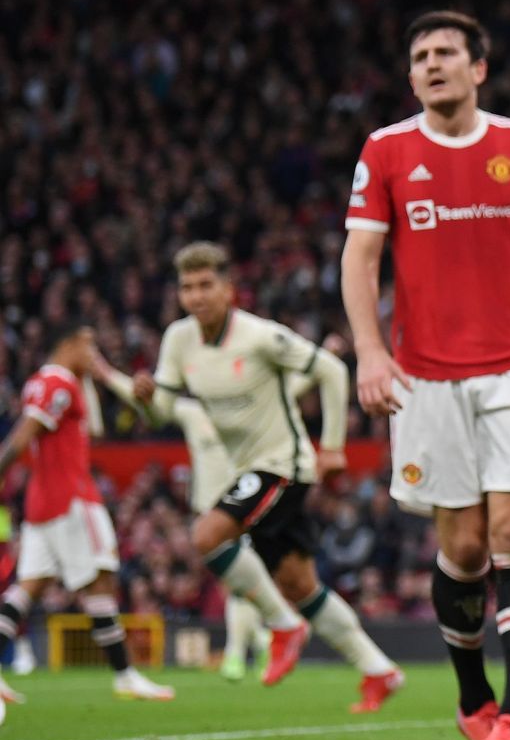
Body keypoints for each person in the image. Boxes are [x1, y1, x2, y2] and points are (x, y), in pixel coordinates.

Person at [341, 10, 510, 740]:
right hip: (424, 379)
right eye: (420, 55)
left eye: (446, 53)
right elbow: (360, 259)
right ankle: (473, 696)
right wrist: (369, 352)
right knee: (461, 546)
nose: (431, 65)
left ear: (478, 68)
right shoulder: (386, 150)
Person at [124, 242, 404, 712]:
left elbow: (332, 370)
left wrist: (333, 445)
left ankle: (282, 626)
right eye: (187, 287)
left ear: (229, 289)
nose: (196, 296)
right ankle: (380, 670)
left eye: (206, 285)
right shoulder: (179, 340)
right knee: (299, 583)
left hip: (283, 466)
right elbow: (161, 414)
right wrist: (144, 398)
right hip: (250, 471)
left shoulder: (260, 337)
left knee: (207, 535)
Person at [99, 343, 339, 682]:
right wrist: (107, 374)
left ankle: (238, 654)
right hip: (209, 511)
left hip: (245, 506)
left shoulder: (250, 407)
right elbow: (151, 404)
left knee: (240, 586)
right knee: (239, 585)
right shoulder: (192, 413)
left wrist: (322, 353)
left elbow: (296, 385)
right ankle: (261, 640)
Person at [0, 323, 173, 712]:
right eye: (89, 345)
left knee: (28, 587)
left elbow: (92, 428)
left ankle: (125, 676)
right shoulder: (57, 385)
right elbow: (22, 437)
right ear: (69, 344)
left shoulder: (52, 383)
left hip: (41, 503)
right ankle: (125, 675)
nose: (95, 353)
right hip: (71, 500)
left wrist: (94, 377)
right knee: (100, 582)